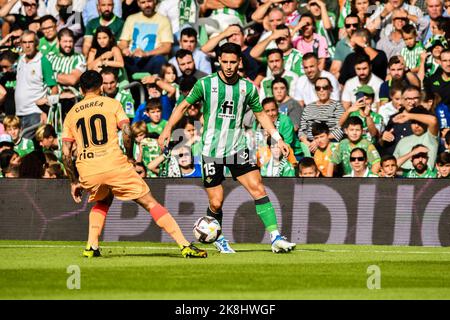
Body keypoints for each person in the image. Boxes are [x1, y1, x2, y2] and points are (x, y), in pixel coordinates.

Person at [158, 42, 296, 254]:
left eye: (233, 62)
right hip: (211, 152)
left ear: (240, 62)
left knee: (258, 187)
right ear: (219, 61)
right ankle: (218, 237)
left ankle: (275, 237)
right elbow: (184, 105)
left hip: (237, 148)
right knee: (216, 202)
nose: (229, 66)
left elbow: (260, 114)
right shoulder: (205, 84)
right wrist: (167, 129)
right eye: (225, 62)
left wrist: (278, 138)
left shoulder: (247, 87)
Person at [61, 70, 207, 258]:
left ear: (81, 90)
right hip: (113, 163)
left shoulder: (72, 113)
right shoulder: (112, 104)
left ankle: (91, 247)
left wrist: (73, 181)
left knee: (102, 200)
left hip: (88, 168)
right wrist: (129, 157)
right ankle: (185, 245)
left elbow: (66, 152)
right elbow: (128, 131)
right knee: (150, 202)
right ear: (101, 87)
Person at [15, 30, 58, 139]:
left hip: (35, 113)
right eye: (24, 42)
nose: (27, 45)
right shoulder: (21, 59)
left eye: (31, 42)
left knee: (28, 148)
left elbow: (54, 88)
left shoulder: (43, 61)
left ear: (36, 43)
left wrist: (45, 111)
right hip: (20, 112)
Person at [393, 105, 439, 171]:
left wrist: (409, 116)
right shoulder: (402, 141)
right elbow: (392, 165)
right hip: (403, 178)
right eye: (413, 122)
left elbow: (433, 121)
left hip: (425, 179)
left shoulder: (431, 137)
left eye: (419, 122)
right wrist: (412, 153)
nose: (416, 126)